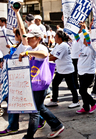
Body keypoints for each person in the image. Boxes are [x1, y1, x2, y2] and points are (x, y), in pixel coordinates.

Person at [16, 7, 64, 139]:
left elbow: (44, 54)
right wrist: (17, 13)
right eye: (28, 38)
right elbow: (21, 30)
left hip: (40, 83)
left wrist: (26, 53)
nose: (29, 40)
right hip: (35, 82)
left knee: (35, 111)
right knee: (40, 107)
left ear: (38, 38)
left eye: (31, 38)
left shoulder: (40, 47)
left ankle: (29, 136)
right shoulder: (31, 47)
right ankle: (57, 125)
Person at [45, 30, 80, 108]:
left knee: (71, 86)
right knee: (55, 84)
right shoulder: (58, 45)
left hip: (67, 70)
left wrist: (44, 59)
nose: (54, 38)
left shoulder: (63, 45)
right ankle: (54, 100)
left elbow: (55, 57)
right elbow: (51, 54)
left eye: (55, 36)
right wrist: (45, 56)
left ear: (60, 38)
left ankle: (76, 101)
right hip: (61, 70)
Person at [76, 23, 96, 114]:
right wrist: (74, 28)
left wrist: (84, 29)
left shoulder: (91, 47)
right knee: (82, 91)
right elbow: (77, 38)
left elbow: (88, 39)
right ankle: (86, 107)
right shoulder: (82, 46)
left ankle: (93, 102)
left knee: (82, 90)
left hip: (89, 72)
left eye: (85, 38)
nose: (84, 40)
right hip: (81, 72)